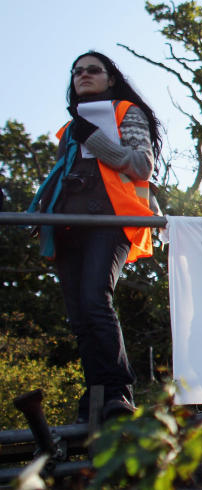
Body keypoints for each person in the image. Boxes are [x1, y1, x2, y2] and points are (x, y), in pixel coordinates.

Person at [30, 51, 163, 423]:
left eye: (93, 70)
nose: (83, 75)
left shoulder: (126, 112)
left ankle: (118, 392)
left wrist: (96, 140)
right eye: (77, 71)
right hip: (69, 224)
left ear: (110, 78)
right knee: (78, 314)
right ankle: (96, 394)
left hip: (111, 220)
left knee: (94, 299)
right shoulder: (70, 128)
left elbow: (141, 166)